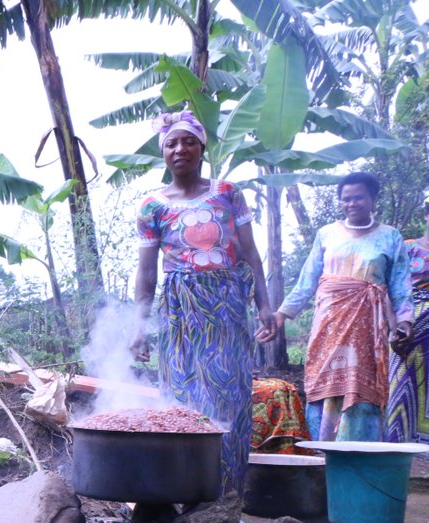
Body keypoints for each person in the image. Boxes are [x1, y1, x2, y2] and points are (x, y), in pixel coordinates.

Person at [130, 110, 277, 498]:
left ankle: (227, 498)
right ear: (163, 152)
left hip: (226, 305)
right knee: (180, 400)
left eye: (189, 141)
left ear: (201, 147)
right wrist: (139, 328)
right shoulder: (152, 207)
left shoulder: (227, 193)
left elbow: (250, 253)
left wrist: (264, 305)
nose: (180, 149)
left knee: (230, 398)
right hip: (179, 310)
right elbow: (146, 276)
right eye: (171, 143)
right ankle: (184, 493)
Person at [274, 172, 413, 442]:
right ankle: (322, 454)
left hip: (368, 328)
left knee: (361, 388)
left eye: (358, 197)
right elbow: (307, 280)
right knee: (326, 384)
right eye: (345, 199)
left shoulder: (390, 237)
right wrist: (281, 315)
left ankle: (360, 454)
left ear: (372, 198)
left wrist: (404, 322)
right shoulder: (326, 234)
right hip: (329, 324)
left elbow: (400, 285)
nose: (351, 203)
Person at [386, 192, 429, 444]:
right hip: (409, 327)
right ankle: (400, 450)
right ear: (426, 214)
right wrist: (394, 329)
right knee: (403, 386)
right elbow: (393, 291)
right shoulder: (408, 247)